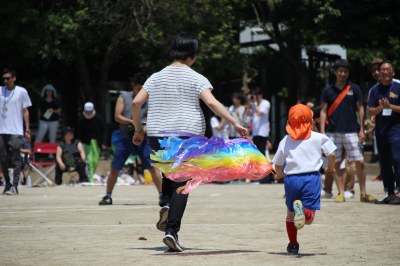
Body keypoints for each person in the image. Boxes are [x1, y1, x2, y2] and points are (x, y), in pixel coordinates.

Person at [131, 32, 248, 252]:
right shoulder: (196, 77)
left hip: (157, 134)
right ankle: (172, 231)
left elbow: (136, 103)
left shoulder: (155, 77)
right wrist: (235, 122)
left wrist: (138, 130)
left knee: (169, 172)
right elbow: (212, 104)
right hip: (186, 135)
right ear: (192, 55)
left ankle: (165, 205)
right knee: (182, 185)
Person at [273, 104, 337, 254]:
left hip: (291, 180)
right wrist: (331, 168)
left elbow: (277, 163)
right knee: (309, 218)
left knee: (290, 214)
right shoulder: (319, 137)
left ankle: (293, 244)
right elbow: (332, 155)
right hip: (311, 178)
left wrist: (278, 174)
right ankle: (304, 211)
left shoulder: (286, 140)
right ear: (311, 121)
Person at [98, 73, 162, 205]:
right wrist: (133, 122)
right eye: (138, 88)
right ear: (133, 86)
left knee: (152, 166)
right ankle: (107, 195)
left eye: (143, 88)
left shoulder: (151, 99)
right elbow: (117, 116)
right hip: (125, 137)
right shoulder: (124, 97)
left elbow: (154, 119)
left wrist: (141, 129)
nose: (140, 91)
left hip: (143, 138)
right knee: (115, 167)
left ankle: (163, 195)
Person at [319, 59, 376, 203]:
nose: (342, 74)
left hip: (352, 130)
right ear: (335, 72)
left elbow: (361, 108)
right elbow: (323, 111)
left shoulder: (354, 88)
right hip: (333, 131)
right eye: (340, 71)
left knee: (360, 161)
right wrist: (322, 132)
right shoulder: (328, 90)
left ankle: (363, 193)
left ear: (348, 73)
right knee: (336, 162)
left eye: (345, 71)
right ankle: (340, 192)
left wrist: (362, 128)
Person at [368, 60, 400, 204]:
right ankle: (390, 192)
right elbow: (370, 111)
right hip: (381, 131)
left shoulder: (398, 87)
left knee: (397, 158)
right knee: (385, 162)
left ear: (393, 72)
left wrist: (390, 106)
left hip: (396, 130)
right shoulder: (374, 90)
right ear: (379, 73)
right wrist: (381, 108)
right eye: (383, 70)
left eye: (388, 69)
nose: (385, 72)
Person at [0, 68, 32, 195]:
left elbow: (25, 111)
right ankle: (7, 184)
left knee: (15, 157)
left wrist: (27, 129)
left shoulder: (21, 92)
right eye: (4, 79)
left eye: (8, 78)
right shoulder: (0, 91)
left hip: (16, 130)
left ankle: (15, 185)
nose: (6, 81)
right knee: (2, 158)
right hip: (2, 130)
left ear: (14, 78)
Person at [77, 102, 105, 182]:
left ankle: (91, 175)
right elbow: (79, 132)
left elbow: (103, 130)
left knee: (95, 160)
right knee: (89, 160)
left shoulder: (98, 118)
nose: (88, 113)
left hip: (97, 142)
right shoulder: (81, 119)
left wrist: (103, 142)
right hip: (85, 142)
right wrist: (79, 142)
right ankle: (90, 177)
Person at [247, 87, 271, 155]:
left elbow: (259, 113)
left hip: (263, 132)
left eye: (256, 95)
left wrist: (254, 103)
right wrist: (249, 102)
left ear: (261, 95)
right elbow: (248, 113)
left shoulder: (266, 103)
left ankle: (264, 165)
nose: (255, 97)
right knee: (256, 153)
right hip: (255, 132)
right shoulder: (253, 104)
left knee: (262, 152)